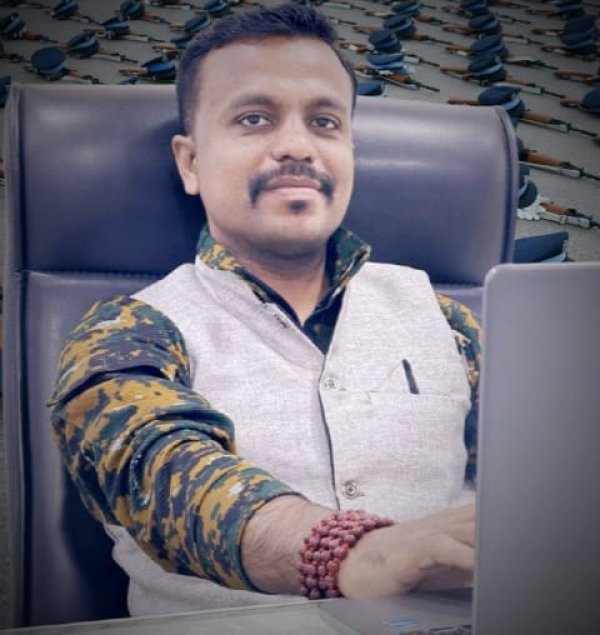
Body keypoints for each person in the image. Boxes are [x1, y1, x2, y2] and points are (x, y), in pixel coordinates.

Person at [49, 2, 480, 617]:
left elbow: (542, 470)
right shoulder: (126, 332)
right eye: (254, 119)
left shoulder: (449, 323)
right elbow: (156, 467)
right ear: (191, 162)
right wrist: (351, 553)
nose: (298, 146)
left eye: (325, 122)